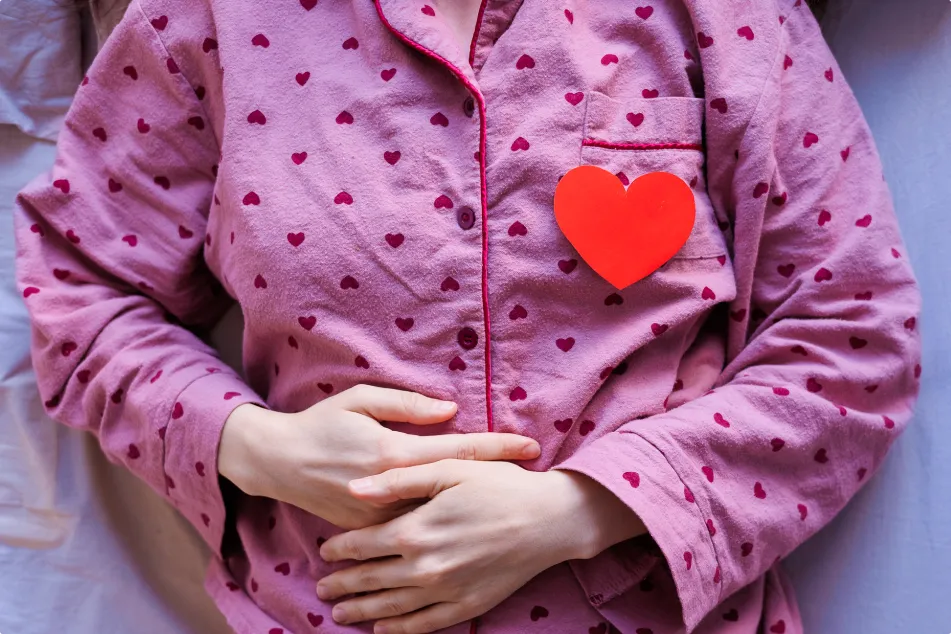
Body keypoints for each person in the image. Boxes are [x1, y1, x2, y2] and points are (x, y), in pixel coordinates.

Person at [14, 0, 921, 632]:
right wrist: (255, 448)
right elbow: (81, 297)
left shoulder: (722, 16)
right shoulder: (211, 20)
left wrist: (580, 511)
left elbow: (852, 337)